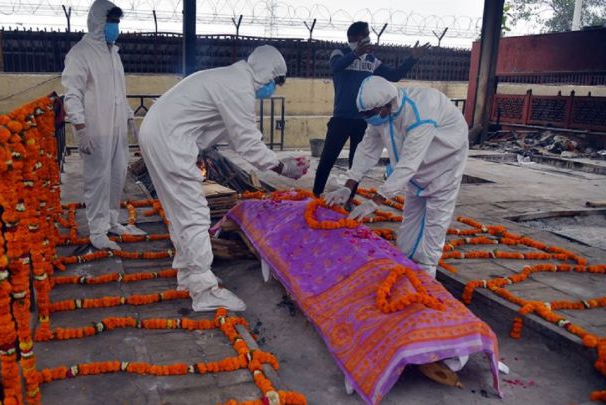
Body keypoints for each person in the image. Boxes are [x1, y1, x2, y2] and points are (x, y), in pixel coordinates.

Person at [138, 45, 309, 312]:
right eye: (276, 83)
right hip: (170, 140)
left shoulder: (229, 79)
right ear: (268, 75)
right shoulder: (239, 88)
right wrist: (282, 168)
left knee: (179, 212)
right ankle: (205, 291)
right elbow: (248, 142)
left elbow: (235, 137)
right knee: (194, 214)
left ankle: (189, 276)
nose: (273, 89)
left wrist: (279, 160)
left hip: (159, 134)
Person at [325, 75, 469, 280]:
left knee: (435, 225)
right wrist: (348, 185)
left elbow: (408, 164)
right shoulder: (379, 115)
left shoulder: (420, 110)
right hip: (412, 173)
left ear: (386, 105)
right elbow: (367, 150)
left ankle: (427, 275)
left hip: (444, 166)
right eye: (365, 115)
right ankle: (405, 268)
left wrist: (374, 202)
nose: (368, 119)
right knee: (410, 224)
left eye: (370, 114)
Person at [312, 21, 430, 196]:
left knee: (357, 162)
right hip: (341, 118)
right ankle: (315, 195)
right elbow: (336, 67)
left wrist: (412, 58)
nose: (368, 37)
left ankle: (348, 198)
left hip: (363, 119)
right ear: (356, 37)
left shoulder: (371, 60)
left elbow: (394, 76)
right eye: (366, 34)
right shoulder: (340, 52)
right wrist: (355, 54)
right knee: (327, 159)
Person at [62, 0, 144, 251]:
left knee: (117, 176)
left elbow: (119, 92)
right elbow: (72, 94)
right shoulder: (80, 53)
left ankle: (111, 221)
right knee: (97, 180)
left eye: (117, 23)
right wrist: (80, 127)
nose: (115, 27)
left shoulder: (113, 54)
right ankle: (97, 231)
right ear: (98, 22)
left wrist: (130, 118)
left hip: (117, 128)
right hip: (96, 129)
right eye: (111, 22)